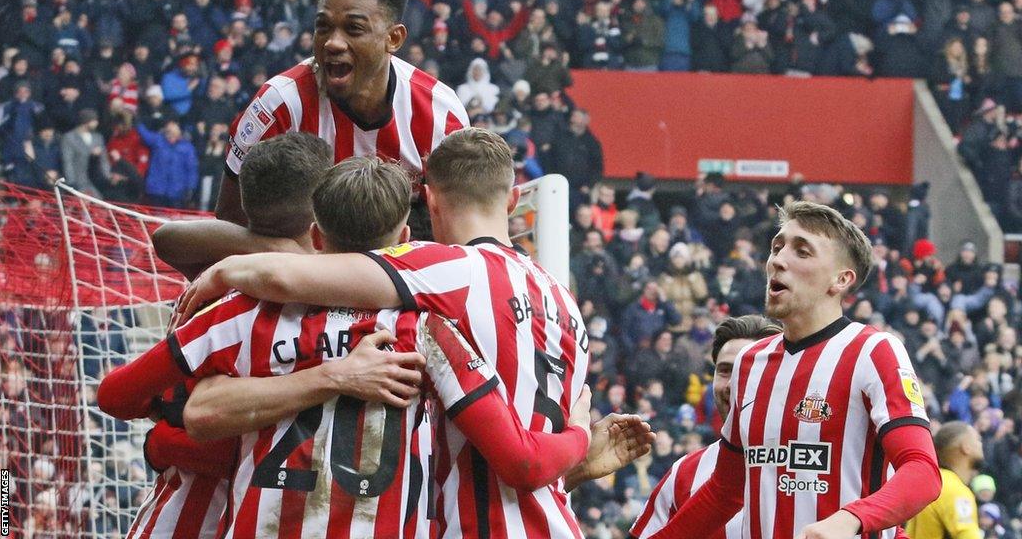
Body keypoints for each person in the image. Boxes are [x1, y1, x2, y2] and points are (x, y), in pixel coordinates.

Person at [176, 127, 654, 537]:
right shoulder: (564, 299)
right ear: (512, 200)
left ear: (427, 198)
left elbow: (291, 276)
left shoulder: (444, 270)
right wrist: (576, 451)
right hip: (555, 518)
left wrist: (224, 272)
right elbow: (519, 456)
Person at [650, 201, 941, 539]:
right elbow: (724, 491)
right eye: (777, 247)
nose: (777, 260)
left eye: (802, 252)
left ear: (841, 279)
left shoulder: (873, 351)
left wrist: (850, 519)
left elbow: (923, 472)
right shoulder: (750, 363)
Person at [107, 134, 334, 539]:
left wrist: (161, 443)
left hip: (173, 514)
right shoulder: (322, 303)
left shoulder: (210, 280)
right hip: (219, 515)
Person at [215, 0, 469, 234]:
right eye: (323, 26)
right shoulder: (280, 104)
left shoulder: (441, 113)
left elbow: (460, 231)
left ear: (393, 38)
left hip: (403, 270)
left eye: (353, 29)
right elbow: (231, 216)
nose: (332, 43)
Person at [631, 315, 782, 539]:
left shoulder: (823, 470)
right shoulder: (684, 474)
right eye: (724, 370)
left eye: (748, 370)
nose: (732, 384)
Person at [906, 421, 984, 539]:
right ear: (966, 447)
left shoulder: (934, 483)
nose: (981, 444)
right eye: (978, 440)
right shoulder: (955, 490)